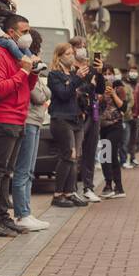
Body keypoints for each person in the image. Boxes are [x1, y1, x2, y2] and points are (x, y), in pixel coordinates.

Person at [0, 12, 40, 236]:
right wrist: (23, 71)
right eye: (24, 32)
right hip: (2, 118)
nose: (28, 36)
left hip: (17, 117)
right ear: (11, 32)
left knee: (7, 171)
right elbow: (0, 89)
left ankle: (4, 217)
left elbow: (26, 86)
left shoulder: (17, 53)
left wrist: (31, 72)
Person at [12, 57, 52, 230]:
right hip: (28, 121)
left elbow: (47, 93)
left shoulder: (35, 73)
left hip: (37, 122)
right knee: (23, 170)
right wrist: (44, 96)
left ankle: (26, 211)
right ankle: (21, 214)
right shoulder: (25, 66)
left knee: (29, 170)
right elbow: (38, 96)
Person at [47, 43, 88, 208]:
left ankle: (69, 192)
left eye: (73, 53)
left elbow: (83, 91)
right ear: (59, 56)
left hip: (76, 119)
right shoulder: (54, 75)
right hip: (61, 119)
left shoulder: (72, 73)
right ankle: (58, 195)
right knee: (68, 155)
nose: (72, 56)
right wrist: (76, 79)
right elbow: (63, 94)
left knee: (75, 156)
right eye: (68, 54)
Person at [69, 37, 106, 203]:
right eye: (78, 46)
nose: (82, 49)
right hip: (78, 114)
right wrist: (87, 85)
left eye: (84, 46)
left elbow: (100, 89)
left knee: (90, 151)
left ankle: (88, 187)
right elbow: (74, 90)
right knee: (75, 151)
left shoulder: (91, 69)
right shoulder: (69, 70)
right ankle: (71, 189)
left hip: (94, 112)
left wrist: (99, 73)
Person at [99, 80, 128, 198]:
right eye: (104, 73)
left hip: (115, 126)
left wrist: (113, 94)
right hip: (103, 127)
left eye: (109, 72)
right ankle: (114, 186)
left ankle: (112, 185)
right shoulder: (99, 88)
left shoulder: (119, 89)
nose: (107, 76)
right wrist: (101, 96)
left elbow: (124, 107)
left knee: (109, 154)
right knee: (105, 156)